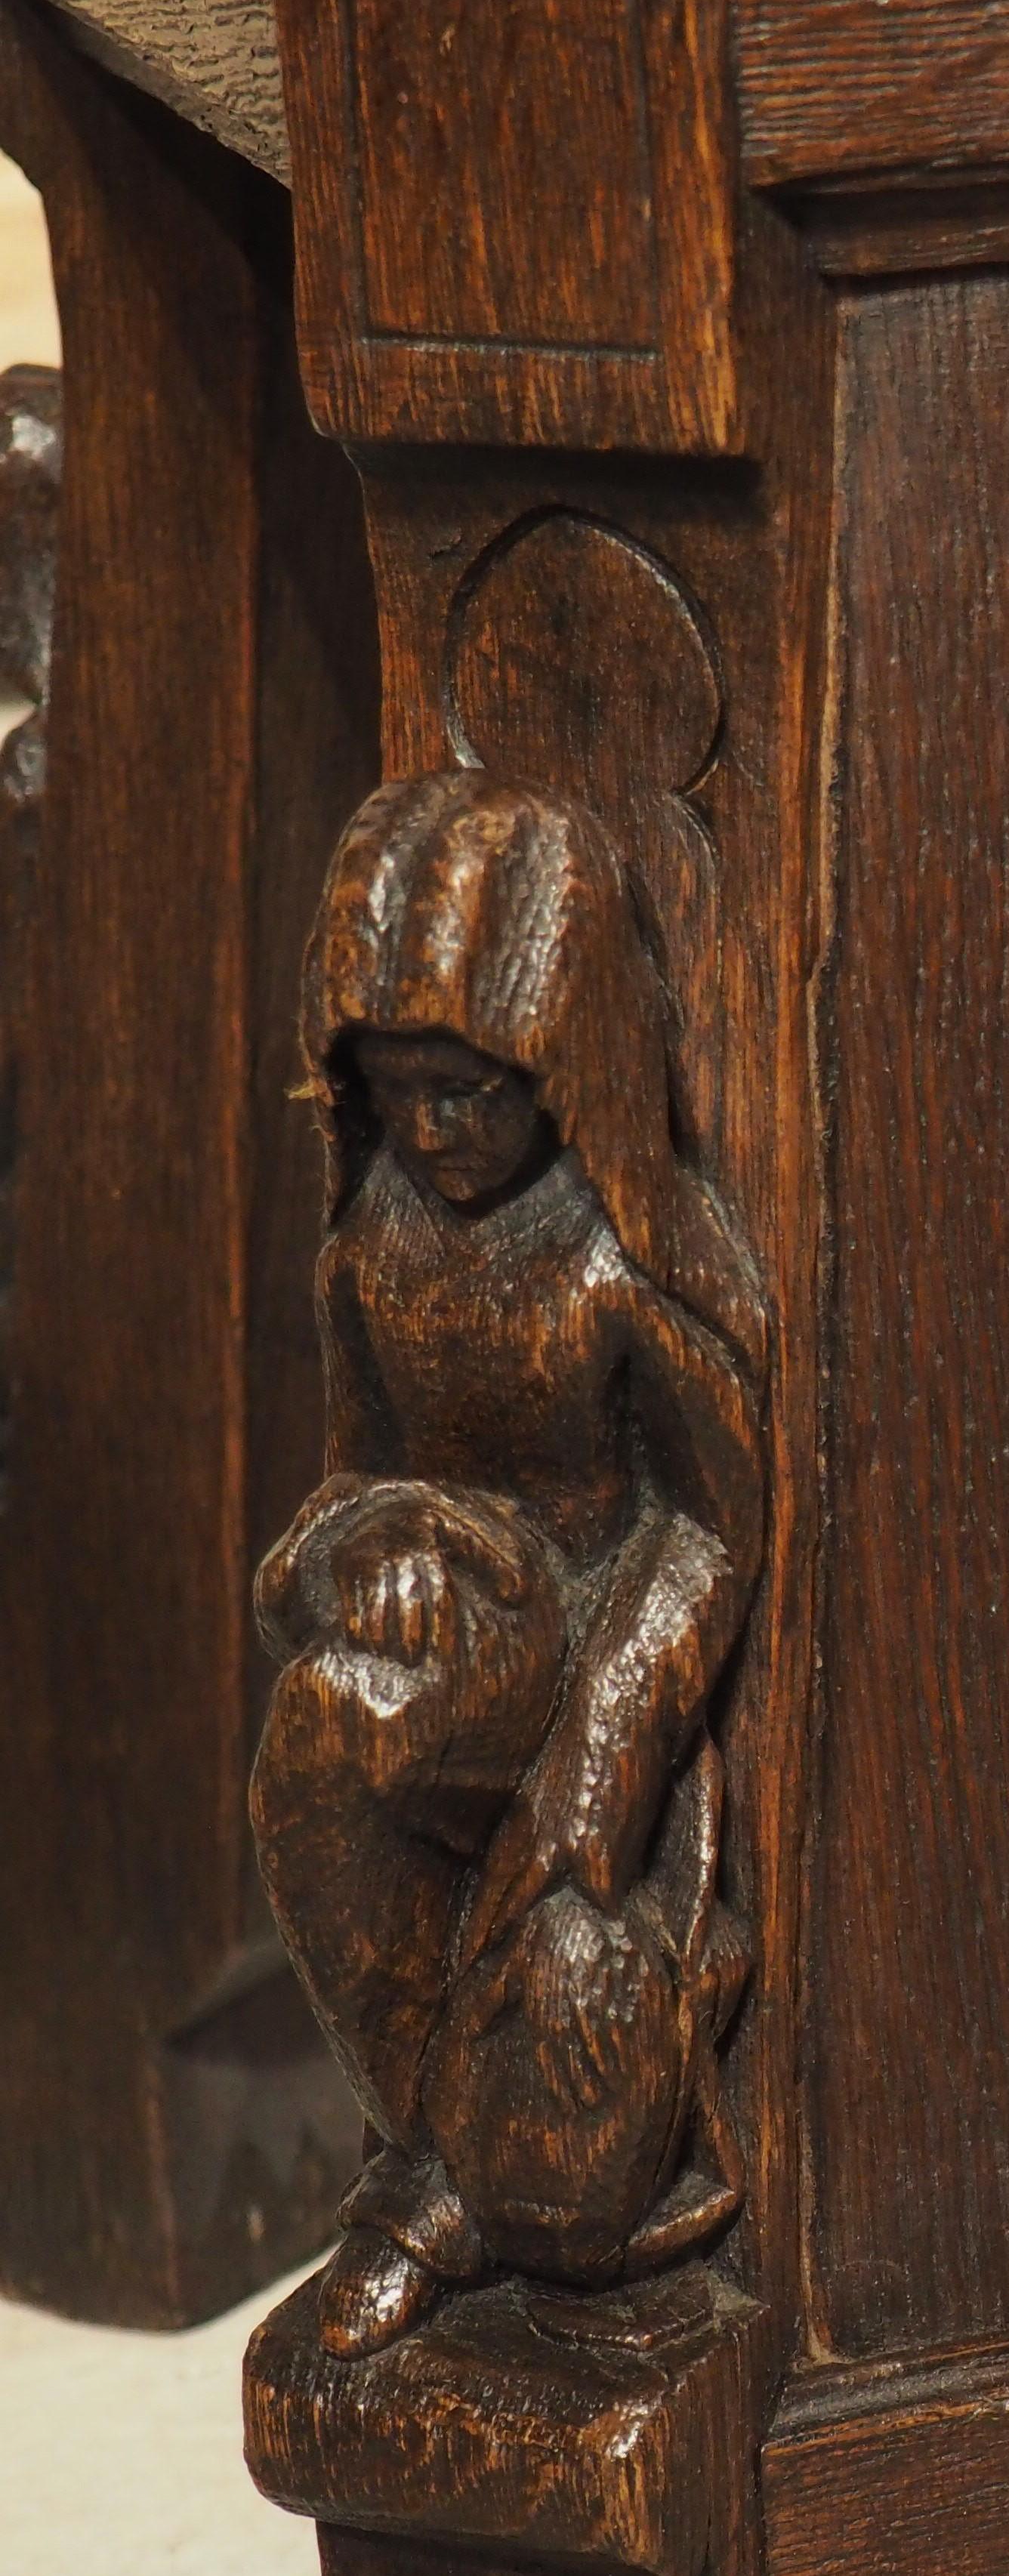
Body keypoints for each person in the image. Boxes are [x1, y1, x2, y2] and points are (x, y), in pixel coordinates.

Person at [250, 771, 764, 2357]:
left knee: (579, 2011)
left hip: (597, 1677)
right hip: (461, 1643)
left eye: (472, 1090)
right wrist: (352, 1559)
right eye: (400, 1093)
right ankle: (432, 2168)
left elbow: (709, 1524)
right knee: (319, 1743)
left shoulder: (616, 1265)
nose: (437, 1130)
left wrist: (607, 1754)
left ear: (568, 1063)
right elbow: (347, 1487)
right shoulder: (372, 1251)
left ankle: (449, 2201)